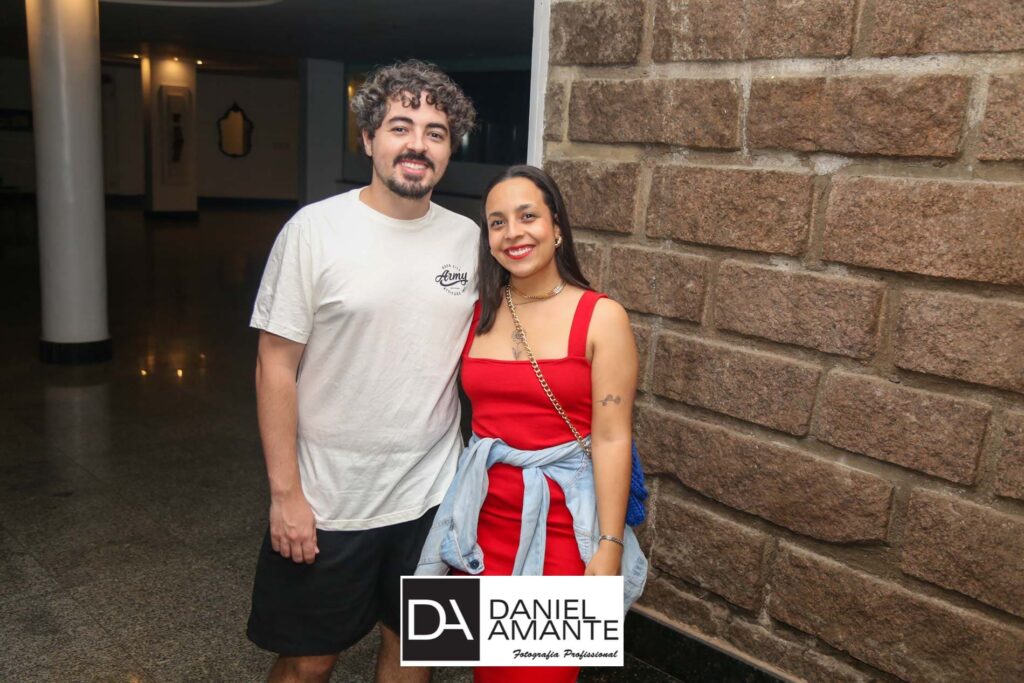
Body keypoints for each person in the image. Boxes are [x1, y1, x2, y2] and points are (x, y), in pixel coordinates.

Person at [245, 60, 477, 683]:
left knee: (415, 649)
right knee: (308, 660)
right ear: (369, 139)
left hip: (435, 499)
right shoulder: (313, 231)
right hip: (330, 500)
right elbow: (274, 365)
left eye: (435, 132)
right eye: (401, 126)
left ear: (449, 149)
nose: (417, 144)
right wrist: (285, 496)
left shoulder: (469, 240)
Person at [417, 165, 648, 683]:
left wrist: (609, 546)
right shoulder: (478, 313)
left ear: (557, 225)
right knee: (487, 674)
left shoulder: (602, 316)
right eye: (497, 223)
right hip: (479, 522)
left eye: (528, 216)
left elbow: (613, 437)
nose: (513, 233)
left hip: (565, 525)